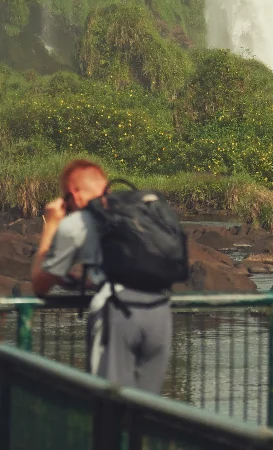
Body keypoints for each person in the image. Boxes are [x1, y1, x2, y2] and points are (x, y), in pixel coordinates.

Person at [30, 159, 173, 393]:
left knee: (109, 401)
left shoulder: (78, 223)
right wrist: (90, 282)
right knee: (148, 405)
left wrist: (51, 225)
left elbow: (40, 284)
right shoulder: (139, 214)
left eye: (66, 199)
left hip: (116, 313)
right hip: (160, 312)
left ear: (74, 195)